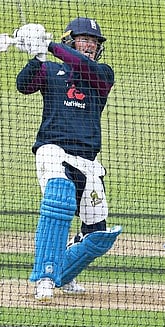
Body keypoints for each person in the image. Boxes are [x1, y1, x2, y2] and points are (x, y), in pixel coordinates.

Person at [14, 18, 122, 301]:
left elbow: (84, 67)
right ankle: (46, 277)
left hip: (88, 160)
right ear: (70, 41)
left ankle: (64, 272)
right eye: (84, 40)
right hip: (53, 150)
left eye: (94, 42)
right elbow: (23, 85)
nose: (89, 46)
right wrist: (36, 56)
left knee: (97, 234)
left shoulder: (102, 74)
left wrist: (47, 44)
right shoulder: (50, 70)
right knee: (59, 198)